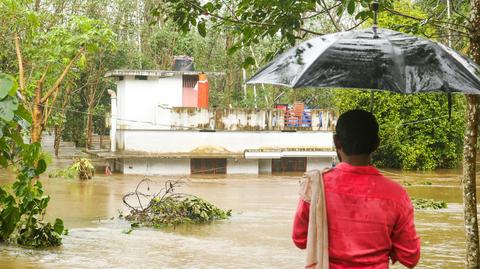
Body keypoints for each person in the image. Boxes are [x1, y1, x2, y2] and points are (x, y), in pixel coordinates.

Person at [292, 109, 420, 268]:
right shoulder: (397, 195)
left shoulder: (316, 186)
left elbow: (300, 239)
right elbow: (410, 257)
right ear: (376, 144)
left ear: (336, 142)